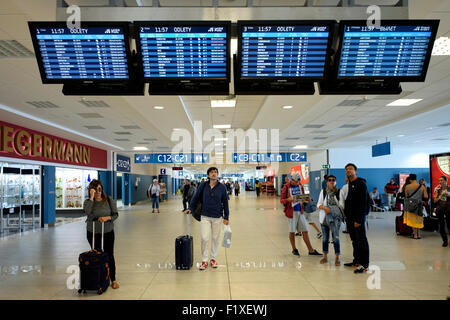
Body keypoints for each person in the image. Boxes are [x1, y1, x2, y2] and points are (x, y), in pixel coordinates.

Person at [187, 167, 230, 270]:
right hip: (205, 215)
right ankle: (204, 260)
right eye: (211, 172)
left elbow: (225, 202)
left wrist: (226, 216)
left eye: (215, 172)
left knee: (215, 238)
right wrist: (190, 208)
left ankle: (213, 259)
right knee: (204, 238)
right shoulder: (203, 185)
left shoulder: (222, 187)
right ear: (208, 175)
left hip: (217, 217)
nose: (214, 174)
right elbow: (196, 197)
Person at [83, 180, 120, 289]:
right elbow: (87, 212)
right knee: (97, 255)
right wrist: (91, 197)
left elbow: (115, 214)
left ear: (102, 189)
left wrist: (107, 218)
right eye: (95, 190)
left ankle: (113, 279)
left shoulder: (108, 200)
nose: (98, 192)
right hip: (93, 233)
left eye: (99, 189)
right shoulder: (88, 202)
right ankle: (99, 279)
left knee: (109, 255)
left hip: (107, 232)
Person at [280, 172, 322, 257]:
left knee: (305, 231)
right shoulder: (286, 187)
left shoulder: (300, 186)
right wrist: (288, 200)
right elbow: (282, 200)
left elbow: (302, 198)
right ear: (292, 180)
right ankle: (294, 249)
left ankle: (311, 250)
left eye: (298, 182)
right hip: (291, 213)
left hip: (301, 211)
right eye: (296, 182)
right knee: (292, 231)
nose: (297, 183)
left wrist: (307, 199)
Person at [343, 163, 370, 274]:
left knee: (362, 241)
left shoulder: (360, 183)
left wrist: (359, 219)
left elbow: (364, 203)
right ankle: (357, 261)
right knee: (355, 241)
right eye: (347, 169)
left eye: (350, 169)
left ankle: (364, 265)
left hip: (357, 219)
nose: (348, 171)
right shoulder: (350, 183)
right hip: (350, 218)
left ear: (356, 171)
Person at [317, 175, 345, 266]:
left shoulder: (339, 192)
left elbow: (342, 206)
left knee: (335, 238)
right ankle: (325, 257)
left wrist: (331, 209)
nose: (332, 181)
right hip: (324, 219)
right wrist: (325, 208)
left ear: (335, 182)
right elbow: (318, 204)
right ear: (327, 182)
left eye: (333, 180)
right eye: (330, 180)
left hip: (335, 220)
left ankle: (337, 258)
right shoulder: (323, 191)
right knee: (325, 239)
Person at [403, 174, 428, 240]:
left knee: (412, 220)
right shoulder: (422, 186)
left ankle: (415, 235)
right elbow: (426, 196)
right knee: (418, 219)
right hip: (419, 204)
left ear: (410, 179)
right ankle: (418, 234)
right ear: (416, 179)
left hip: (410, 205)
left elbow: (406, 196)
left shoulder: (407, 186)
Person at [433, 176, 450, 247]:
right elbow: (435, 200)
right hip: (440, 209)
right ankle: (445, 241)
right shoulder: (438, 190)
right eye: (439, 180)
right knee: (441, 226)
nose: (440, 182)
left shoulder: (449, 189)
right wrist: (439, 197)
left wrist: (448, 194)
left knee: (449, 225)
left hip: (449, 208)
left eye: (442, 180)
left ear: (446, 181)